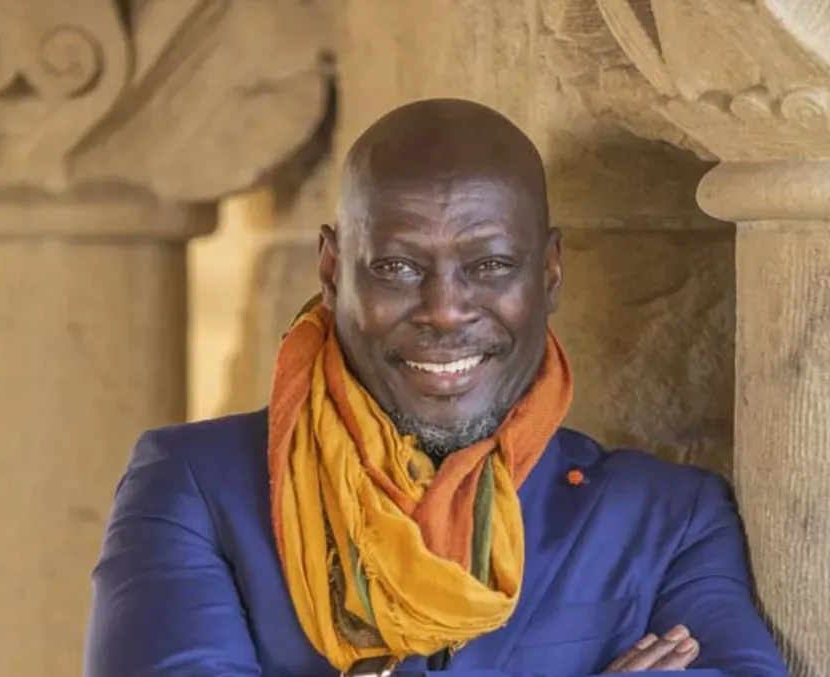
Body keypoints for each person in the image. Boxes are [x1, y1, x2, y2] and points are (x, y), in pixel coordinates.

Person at [83, 98, 788, 677]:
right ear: (331, 270)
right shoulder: (197, 489)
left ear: (548, 273)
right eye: (395, 267)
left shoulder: (667, 519)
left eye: (488, 265)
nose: (445, 310)